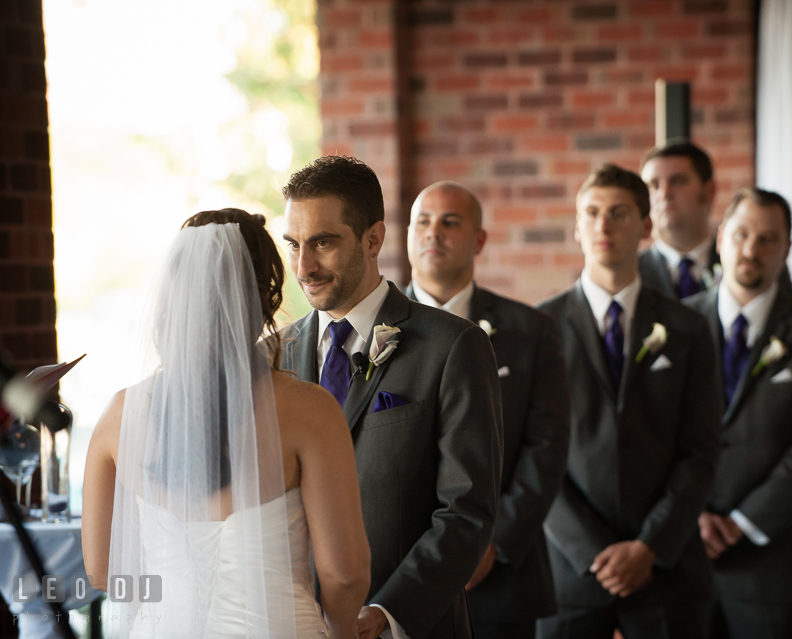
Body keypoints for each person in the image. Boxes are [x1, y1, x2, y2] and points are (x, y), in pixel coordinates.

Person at [81, 209, 371, 638]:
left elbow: (103, 571)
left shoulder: (119, 416)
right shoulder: (310, 411)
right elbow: (343, 574)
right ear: (264, 299)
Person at [278, 157, 503, 639]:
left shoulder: (453, 345)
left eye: (323, 242)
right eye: (293, 245)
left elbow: (467, 511)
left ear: (373, 238)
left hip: (410, 626)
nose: (303, 267)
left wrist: (387, 613)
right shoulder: (272, 356)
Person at [536, 164, 723, 639]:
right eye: (592, 213)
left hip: (667, 570)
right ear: (576, 227)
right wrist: (592, 553)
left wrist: (648, 547)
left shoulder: (688, 328)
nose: (603, 225)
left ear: (645, 226)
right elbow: (530, 454)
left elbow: (701, 451)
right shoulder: (538, 330)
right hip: (570, 575)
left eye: (619, 213)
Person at [404, 181, 570, 639]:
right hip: (399, 576)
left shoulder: (531, 331)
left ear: (479, 239)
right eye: (423, 221)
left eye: (450, 222)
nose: (433, 233)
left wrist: (491, 543)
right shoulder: (374, 330)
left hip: (501, 578)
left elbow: (547, 447)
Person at [684, 189, 792, 639]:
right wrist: (691, 512)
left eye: (768, 238)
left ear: (787, 249)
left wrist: (740, 524)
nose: (751, 250)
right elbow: (649, 434)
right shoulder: (672, 328)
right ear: (720, 239)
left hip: (775, 567)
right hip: (680, 564)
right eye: (741, 235)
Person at [638, 140, 721, 299]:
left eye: (677, 181)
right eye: (653, 185)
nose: (664, 193)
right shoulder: (631, 273)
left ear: (709, 191)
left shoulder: (739, 264)